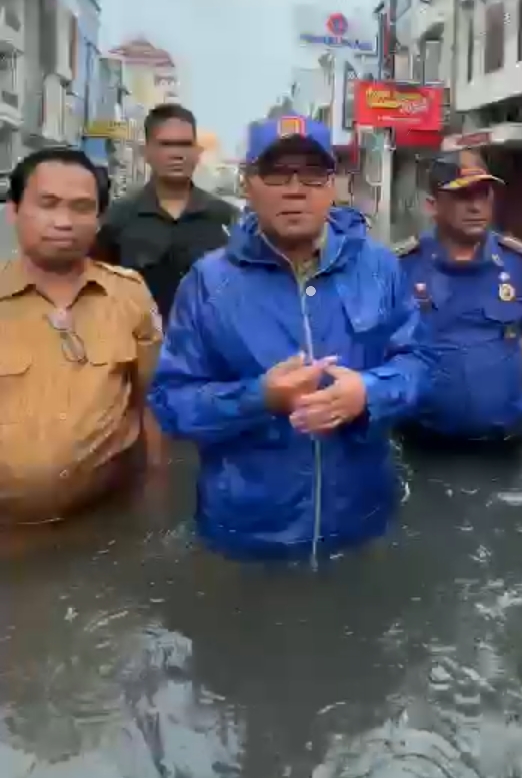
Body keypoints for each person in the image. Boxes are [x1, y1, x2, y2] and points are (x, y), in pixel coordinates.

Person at [150, 113, 425, 561]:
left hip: (360, 523)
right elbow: (171, 404)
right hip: (245, 534)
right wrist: (258, 397)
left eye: (313, 173)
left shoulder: (379, 269)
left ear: (333, 185)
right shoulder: (207, 283)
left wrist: (367, 393)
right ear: (247, 183)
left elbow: (421, 364)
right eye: (276, 172)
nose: (295, 188)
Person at [0, 147, 164, 526]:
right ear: (15, 209)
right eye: (48, 204)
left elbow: (152, 400)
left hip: (103, 522)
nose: (63, 221)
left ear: (99, 218)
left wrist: (155, 491)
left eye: (81, 207)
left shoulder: (129, 293)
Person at [396, 154, 522, 450]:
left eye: (483, 193)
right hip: (424, 443)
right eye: (461, 195)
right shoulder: (402, 266)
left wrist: (490, 362)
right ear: (433, 205)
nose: (476, 206)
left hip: (504, 442)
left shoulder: (518, 263)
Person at [95, 104, 236, 324]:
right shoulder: (118, 220)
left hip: (208, 352)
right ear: (146, 152)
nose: (177, 154)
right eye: (166, 145)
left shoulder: (226, 220)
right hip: (137, 349)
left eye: (185, 145)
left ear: (197, 153)